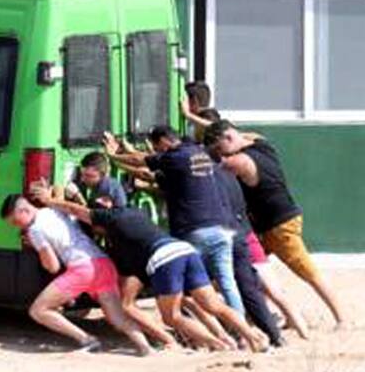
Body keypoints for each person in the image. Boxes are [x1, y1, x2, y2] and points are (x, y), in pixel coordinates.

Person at [33, 190, 267, 353]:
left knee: (171, 317)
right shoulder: (133, 214)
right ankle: (252, 336)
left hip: (164, 259)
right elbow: (131, 274)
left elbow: (77, 209)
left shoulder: (111, 218)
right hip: (184, 250)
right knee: (213, 304)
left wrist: (50, 200)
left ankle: (219, 344)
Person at [203, 119, 346, 327]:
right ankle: (283, 314)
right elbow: (247, 134)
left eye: (220, 148)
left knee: (308, 273)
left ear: (228, 137)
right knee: (250, 268)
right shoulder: (261, 143)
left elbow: (211, 168)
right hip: (273, 224)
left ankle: (341, 318)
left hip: (279, 226)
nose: (221, 153)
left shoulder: (239, 161)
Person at [102, 126, 246, 316]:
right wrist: (127, 151)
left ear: (163, 141)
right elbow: (149, 168)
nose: (159, 151)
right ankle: (241, 326)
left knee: (187, 284)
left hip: (195, 230)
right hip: (221, 229)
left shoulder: (175, 157)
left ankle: (195, 328)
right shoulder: (197, 152)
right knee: (227, 283)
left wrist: (113, 157)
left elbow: (142, 161)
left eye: (158, 147)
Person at [0, 194, 153, 356]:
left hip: (82, 269)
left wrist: (38, 249)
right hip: (103, 263)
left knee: (38, 310)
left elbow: (52, 266)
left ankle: (87, 340)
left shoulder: (34, 230)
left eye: (16, 222)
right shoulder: (53, 211)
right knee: (118, 318)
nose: (18, 227)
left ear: (24, 210)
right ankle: (145, 347)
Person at [212, 160, 283, 347]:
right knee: (247, 287)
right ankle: (274, 335)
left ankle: (242, 335)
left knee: (222, 284)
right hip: (240, 233)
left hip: (224, 234)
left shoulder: (209, 177)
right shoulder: (229, 175)